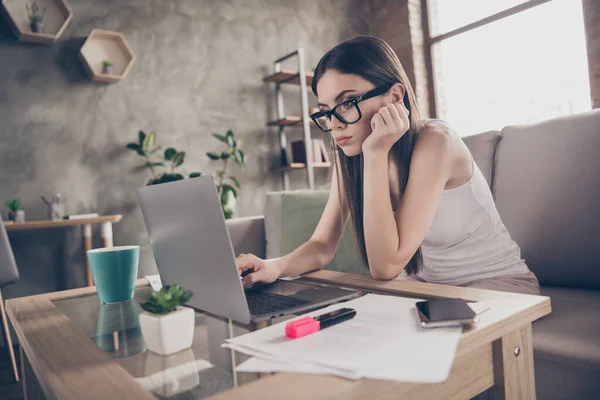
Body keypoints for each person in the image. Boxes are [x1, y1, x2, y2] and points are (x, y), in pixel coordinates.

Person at [237, 35, 540, 295]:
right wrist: (273, 266)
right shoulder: (349, 157)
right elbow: (321, 245)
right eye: (326, 111)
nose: (335, 124)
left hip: (497, 284)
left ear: (394, 96)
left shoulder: (436, 142)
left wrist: (376, 154)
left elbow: (385, 266)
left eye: (347, 103)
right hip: (424, 287)